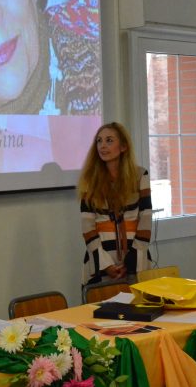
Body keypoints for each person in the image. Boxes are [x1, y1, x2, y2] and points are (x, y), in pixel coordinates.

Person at [78, 122, 152, 285]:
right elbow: (87, 226)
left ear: (123, 146)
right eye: (99, 141)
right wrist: (106, 265)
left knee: (139, 300)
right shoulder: (90, 179)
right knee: (100, 301)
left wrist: (133, 258)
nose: (102, 146)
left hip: (135, 257)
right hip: (100, 258)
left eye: (109, 140)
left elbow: (146, 218)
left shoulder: (140, 175)